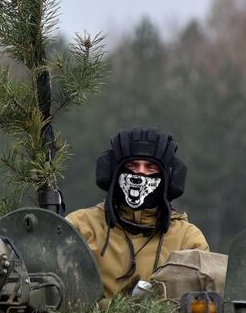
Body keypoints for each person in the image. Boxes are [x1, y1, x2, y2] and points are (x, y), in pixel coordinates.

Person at [67, 128, 209, 300]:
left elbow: (198, 308)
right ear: (113, 172)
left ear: (168, 179)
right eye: (131, 166)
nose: (139, 174)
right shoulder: (81, 227)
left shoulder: (187, 239)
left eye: (150, 167)